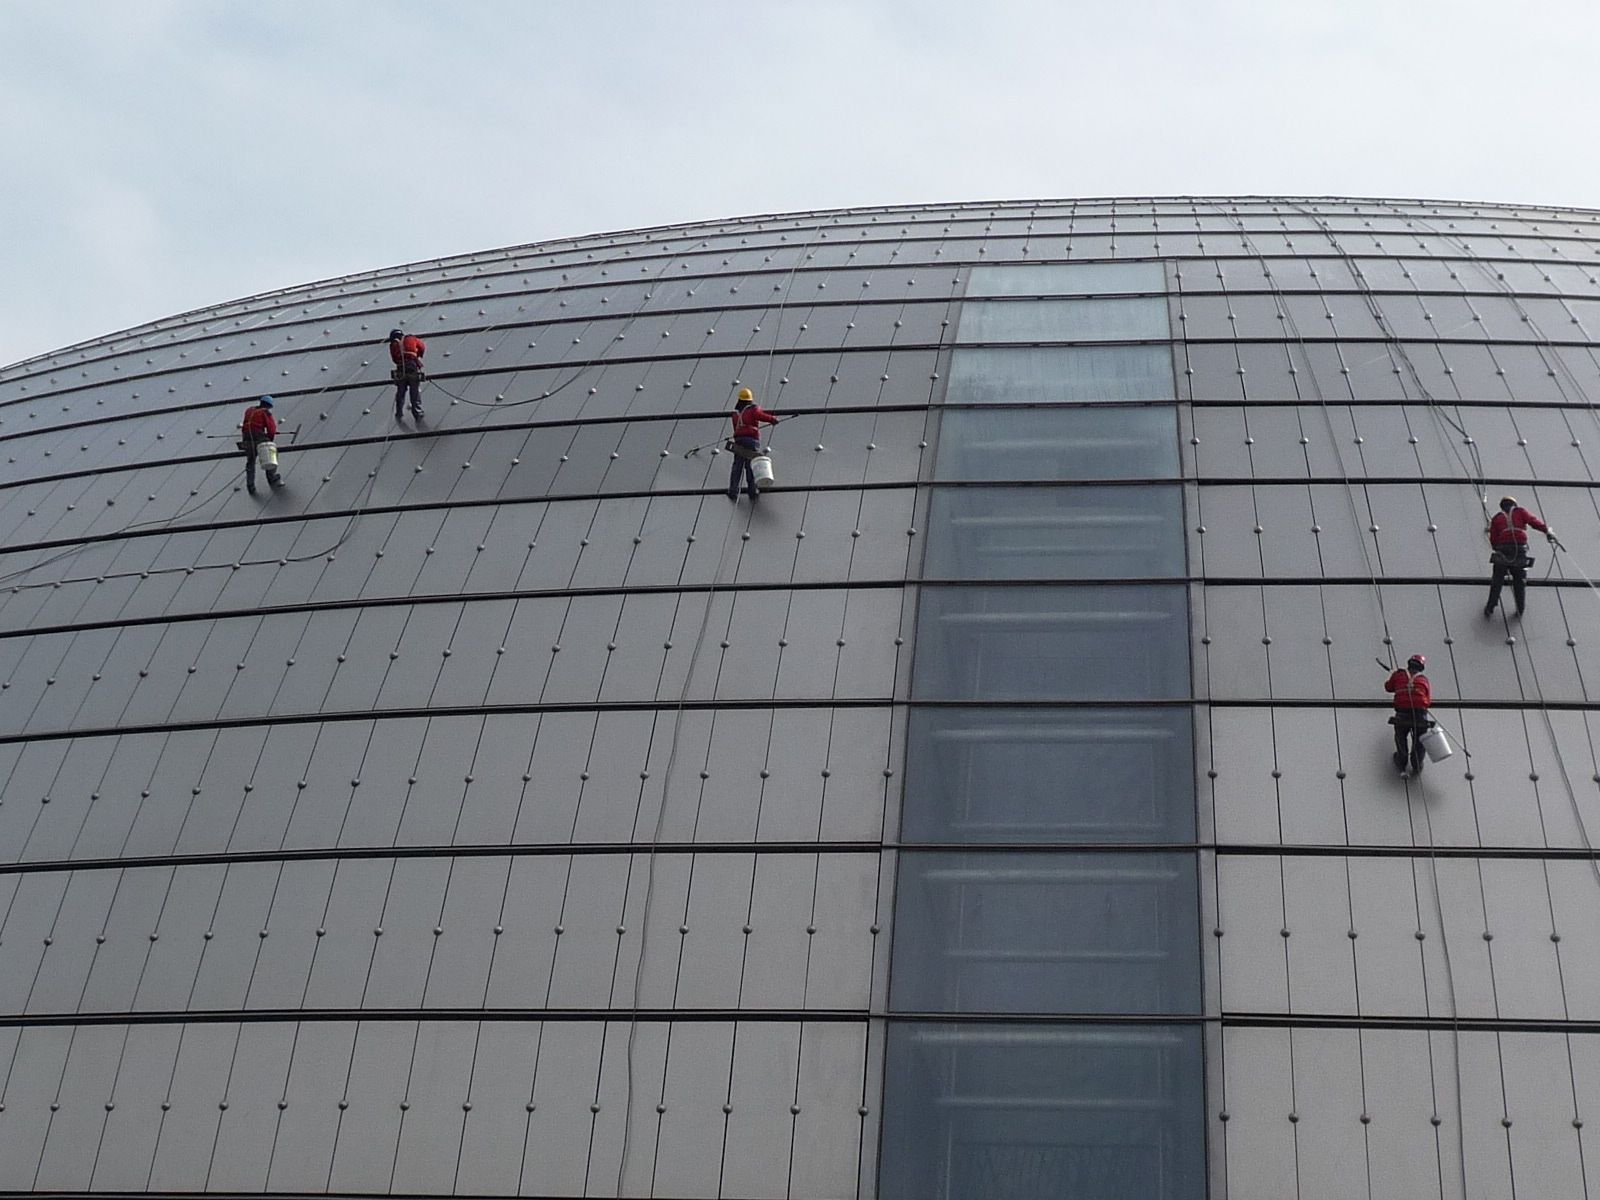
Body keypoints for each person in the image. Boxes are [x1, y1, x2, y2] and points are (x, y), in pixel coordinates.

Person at [1484, 495, 1553, 618]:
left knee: (1497, 579)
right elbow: (1533, 521)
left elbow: (1493, 539)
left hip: (1503, 549)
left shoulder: (1497, 518)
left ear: (1502, 507)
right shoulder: (1520, 512)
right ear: (1513, 504)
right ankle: (1520, 608)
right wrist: (1546, 530)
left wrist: (1497, 548)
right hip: (1519, 549)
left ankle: (1491, 606)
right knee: (1519, 581)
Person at [727, 387, 780, 502]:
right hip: (751, 441)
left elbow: (737, 429)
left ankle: (733, 490)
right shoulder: (753, 410)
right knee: (751, 465)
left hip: (739, 441)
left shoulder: (736, 414)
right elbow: (762, 416)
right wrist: (773, 419)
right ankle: (752, 490)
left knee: (737, 466)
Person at [1384, 654, 1433, 776]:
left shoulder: (1398, 675)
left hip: (1402, 712)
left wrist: (1395, 677)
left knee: (1400, 736)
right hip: (1420, 714)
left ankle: (1402, 759)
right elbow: (1428, 700)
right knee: (1420, 739)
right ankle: (1417, 763)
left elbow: (1388, 687)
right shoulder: (1424, 680)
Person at [239, 396, 282, 495]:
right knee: (270, 454)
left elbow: (245, 425)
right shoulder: (265, 412)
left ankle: (250, 486)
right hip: (259, 437)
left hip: (247, 439)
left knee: (250, 462)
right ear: (269, 406)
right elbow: (271, 428)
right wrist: (270, 440)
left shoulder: (249, 410)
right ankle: (271, 477)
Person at [387, 328, 427, 420]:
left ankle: (399, 412)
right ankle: (417, 412)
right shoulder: (411, 339)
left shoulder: (393, 344)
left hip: (401, 369)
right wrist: (417, 355)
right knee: (414, 390)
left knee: (401, 391)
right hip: (412, 366)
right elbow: (422, 347)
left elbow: (394, 359)